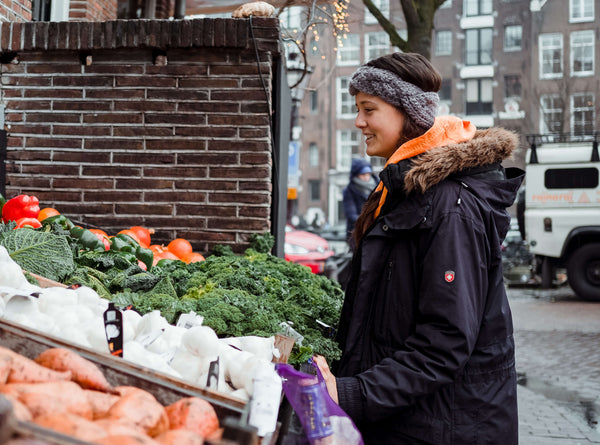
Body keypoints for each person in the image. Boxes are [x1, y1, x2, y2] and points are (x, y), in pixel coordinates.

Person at [313, 52, 525, 444]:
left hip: (443, 427)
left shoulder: (449, 208)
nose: (359, 122)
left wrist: (350, 392)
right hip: (412, 419)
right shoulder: (405, 192)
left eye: (368, 109)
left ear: (407, 113)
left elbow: (445, 342)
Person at [343, 158, 378, 245]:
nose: (366, 177)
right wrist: (369, 222)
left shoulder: (378, 186)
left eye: (368, 174)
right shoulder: (349, 191)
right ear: (356, 175)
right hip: (356, 233)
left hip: (376, 231)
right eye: (363, 174)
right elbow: (351, 214)